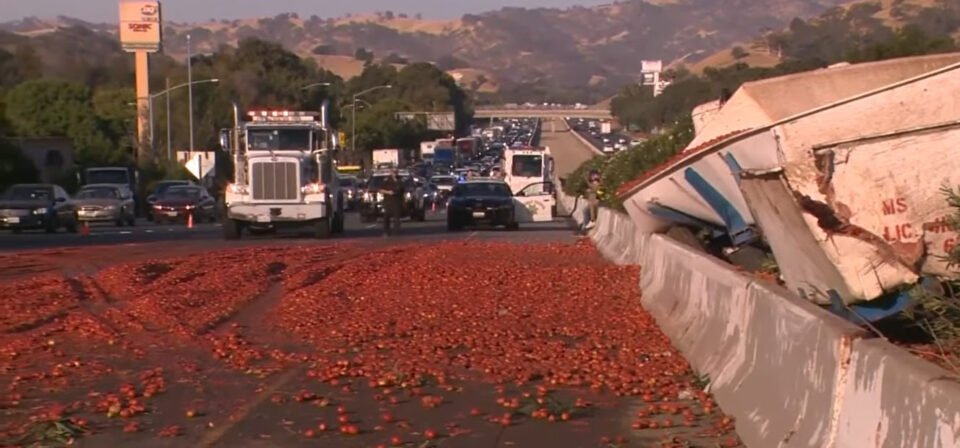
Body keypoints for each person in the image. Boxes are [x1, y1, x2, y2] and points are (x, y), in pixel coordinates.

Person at [379, 168, 405, 236]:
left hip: (397, 201)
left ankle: (396, 232)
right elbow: (381, 190)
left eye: (396, 172)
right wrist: (388, 192)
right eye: (393, 172)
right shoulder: (387, 180)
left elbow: (403, 190)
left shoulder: (401, 180)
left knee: (397, 218)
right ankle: (386, 231)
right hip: (388, 201)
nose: (394, 173)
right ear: (391, 172)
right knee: (386, 218)